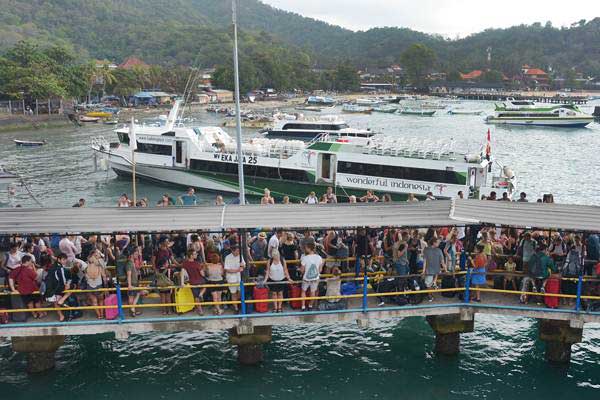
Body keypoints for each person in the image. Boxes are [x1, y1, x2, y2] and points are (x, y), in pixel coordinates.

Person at [44, 254, 72, 322]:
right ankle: (62, 301)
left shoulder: (52, 267)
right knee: (69, 291)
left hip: (50, 288)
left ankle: (61, 316)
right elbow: (62, 279)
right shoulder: (60, 268)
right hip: (57, 287)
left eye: (65, 259)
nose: (65, 261)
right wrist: (66, 286)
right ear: (59, 260)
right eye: (63, 260)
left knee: (56, 303)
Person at [299, 241, 324, 311]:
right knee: (313, 292)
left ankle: (303, 307)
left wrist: (301, 270)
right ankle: (310, 306)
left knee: (303, 291)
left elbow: (302, 270)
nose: (305, 249)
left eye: (306, 248)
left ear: (309, 248)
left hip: (306, 278)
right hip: (315, 278)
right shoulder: (319, 258)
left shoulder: (305, 258)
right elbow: (320, 269)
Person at [181, 249, 206, 315]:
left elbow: (182, 273)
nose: (196, 255)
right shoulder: (197, 263)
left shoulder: (185, 263)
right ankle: (201, 294)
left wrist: (182, 283)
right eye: (195, 254)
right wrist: (203, 269)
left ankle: (200, 311)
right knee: (205, 287)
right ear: (191, 255)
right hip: (200, 281)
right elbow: (202, 274)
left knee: (196, 297)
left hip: (192, 282)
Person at [84, 253, 107, 319]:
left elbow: (85, 276)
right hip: (99, 284)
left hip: (90, 285)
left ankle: (99, 315)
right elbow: (104, 276)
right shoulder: (99, 265)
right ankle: (102, 314)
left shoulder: (86, 266)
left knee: (94, 301)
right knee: (101, 300)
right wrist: (106, 286)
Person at [224, 245, 245, 313]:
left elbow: (244, 265)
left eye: (239, 251)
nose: (238, 252)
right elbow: (227, 269)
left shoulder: (240, 256)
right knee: (233, 293)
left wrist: (243, 265)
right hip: (231, 279)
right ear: (233, 251)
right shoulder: (227, 257)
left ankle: (236, 303)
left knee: (240, 292)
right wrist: (238, 270)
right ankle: (236, 308)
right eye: (237, 251)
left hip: (239, 278)